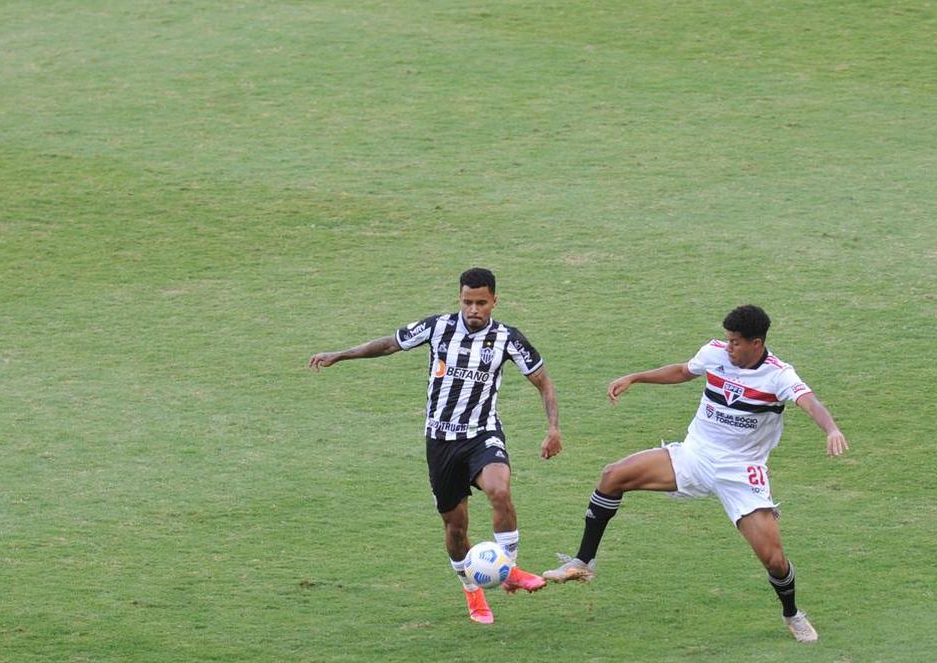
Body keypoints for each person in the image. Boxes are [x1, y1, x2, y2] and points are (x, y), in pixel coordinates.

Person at [543, 304, 848, 643]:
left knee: (774, 561)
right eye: (728, 340)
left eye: (735, 342)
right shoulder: (715, 353)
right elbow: (683, 371)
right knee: (613, 476)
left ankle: (792, 613)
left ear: (756, 343)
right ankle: (583, 562)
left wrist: (831, 428)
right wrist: (635, 377)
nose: (728, 346)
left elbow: (809, 401)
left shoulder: (778, 375)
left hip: (740, 472)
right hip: (694, 455)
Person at [309, 268, 562, 624]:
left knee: (499, 490)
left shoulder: (509, 338)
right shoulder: (437, 327)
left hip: (481, 433)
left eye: (481, 303)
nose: (473, 309)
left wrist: (553, 428)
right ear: (459, 298)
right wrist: (341, 354)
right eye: (467, 302)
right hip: (441, 442)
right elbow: (389, 344)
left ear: (494, 302)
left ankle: (510, 570)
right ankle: (472, 591)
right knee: (455, 527)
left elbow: (544, 382)